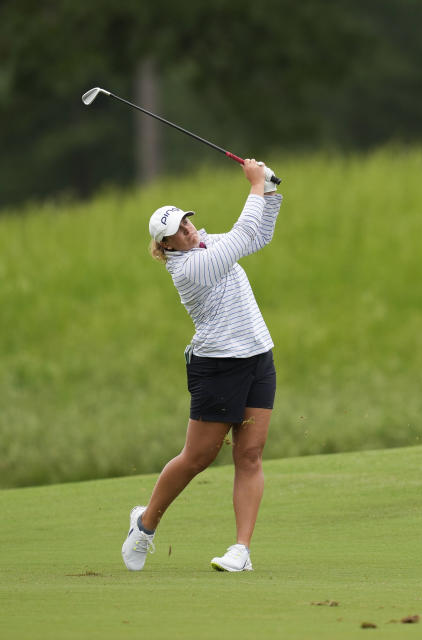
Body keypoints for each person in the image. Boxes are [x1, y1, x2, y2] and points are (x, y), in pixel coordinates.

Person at [122, 159, 282, 572]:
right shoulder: (191, 268)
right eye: (177, 231)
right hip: (218, 367)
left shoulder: (208, 245)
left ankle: (241, 551)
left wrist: (270, 189)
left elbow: (259, 235)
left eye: (186, 222)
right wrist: (253, 186)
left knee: (250, 456)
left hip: (257, 358)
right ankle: (145, 523)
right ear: (166, 247)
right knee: (197, 458)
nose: (187, 229)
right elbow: (245, 234)